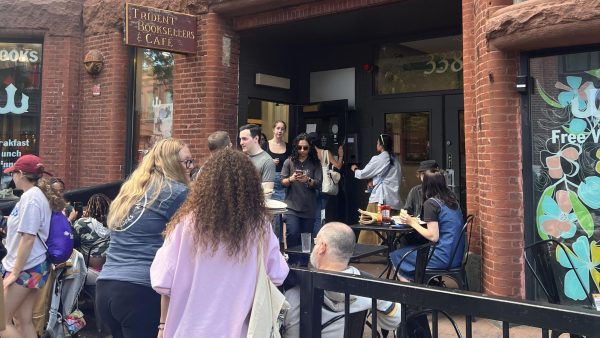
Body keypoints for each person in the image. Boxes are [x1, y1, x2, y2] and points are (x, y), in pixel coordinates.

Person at [150, 148, 289, 337]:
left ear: (206, 184)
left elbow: (162, 280)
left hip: (188, 329)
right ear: (250, 186)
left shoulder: (186, 223)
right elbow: (277, 274)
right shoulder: (259, 227)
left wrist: (162, 325)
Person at [96, 138, 190, 338]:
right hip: (141, 290)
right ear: (172, 163)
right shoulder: (178, 193)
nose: (190, 167)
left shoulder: (131, 191)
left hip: (106, 287)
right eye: (186, 162)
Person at [282, 222, 401, 338]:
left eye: (315, 242)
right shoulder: (369, 287)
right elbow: (396, 319)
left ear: (322, 247)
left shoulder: (291, 292)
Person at [0, 154, 62, 338]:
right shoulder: (35, 196)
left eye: (13, 174)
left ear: (20, 174)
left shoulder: (31, 199)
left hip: (24, 268)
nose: (12, 177)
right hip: (33, 266)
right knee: (22, 321)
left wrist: (14, 273)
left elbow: (28, 237)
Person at [390, 169, 464, 280]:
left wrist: (411, 222)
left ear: (426, 185)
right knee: (414, 249)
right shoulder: (453, 200)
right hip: (456, 256)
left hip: (441, 258)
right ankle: (421, 283)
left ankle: (413, 292)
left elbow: (433, 237)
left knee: (396, 255)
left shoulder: (431, 203)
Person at [351, 134, 402, 244]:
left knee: (369, 228)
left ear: (381, 145)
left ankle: (365, 252)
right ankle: (386, 252)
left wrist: (355, 170)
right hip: (392, 201)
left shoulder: (380, 158)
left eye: (377, 143)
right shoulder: (396, 161)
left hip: (380, 200)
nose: (376, 145)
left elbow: (364, 173)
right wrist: (373, 181)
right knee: (388, 230)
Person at [281, 134, 322, 263]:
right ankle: (292, 263)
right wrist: (291, 179)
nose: (302, 151)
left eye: (305, 148)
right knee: (292, 233)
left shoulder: (315, 163)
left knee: (306, 238)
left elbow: (319, 183)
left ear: (310, 148)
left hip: (308, 207)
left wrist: (308, 180)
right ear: (295, 147)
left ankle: (303, 265)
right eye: (300, 147)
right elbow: (282, 181)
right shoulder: (289, 161)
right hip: (292, 205)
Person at [308, 132, 344, 235]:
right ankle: (319, 238)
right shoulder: (324, 153)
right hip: (323, 186)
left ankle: (312, 238)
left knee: (313, 215)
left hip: (311, 185)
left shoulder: (307, 153)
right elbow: (338, 166)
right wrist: (341, 156)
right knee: (321, 215)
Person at [72, 193, 111, 285]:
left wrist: (70, 220)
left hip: (87, 272)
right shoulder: (116, 223)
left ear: (89, 207)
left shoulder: (82, 223)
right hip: (110, 270)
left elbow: (71, 241)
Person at [239, 124, 276, 191]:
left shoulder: (267, 161)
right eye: (240, 139)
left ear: (256, 138)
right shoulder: (242, 158)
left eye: (244, 139)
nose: (241, 142)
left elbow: (267, 193)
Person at [267, 120, 292, 202]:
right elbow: (260, 163)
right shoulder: (265, 145)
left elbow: (292, 163)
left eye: (282, 129)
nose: (280, 131)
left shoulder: (288, 146)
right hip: (270, 181)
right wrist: (270, 162)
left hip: (284, 181)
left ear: (284, 131)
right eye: (278, 128)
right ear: (273, 129)